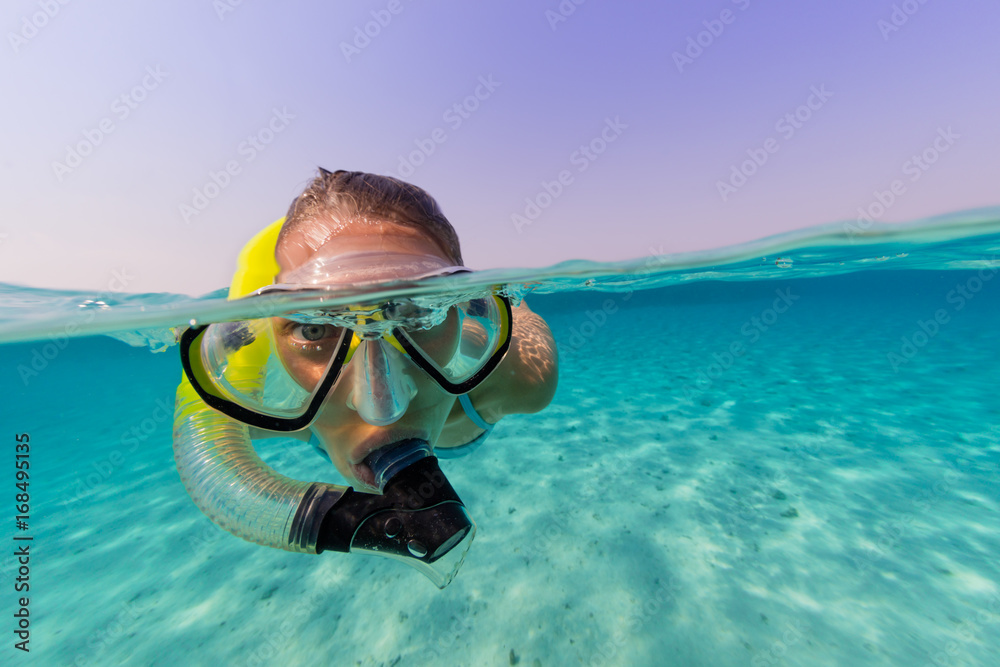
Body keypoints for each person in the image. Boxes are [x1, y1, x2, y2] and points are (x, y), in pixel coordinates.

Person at [184, 168, 559, 493]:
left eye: (420, 313)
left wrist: (501, 299)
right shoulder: (239, 417)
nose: (384, 408)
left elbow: (518, 312)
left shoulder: (522, 377)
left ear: (458, 305)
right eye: (314, 330)